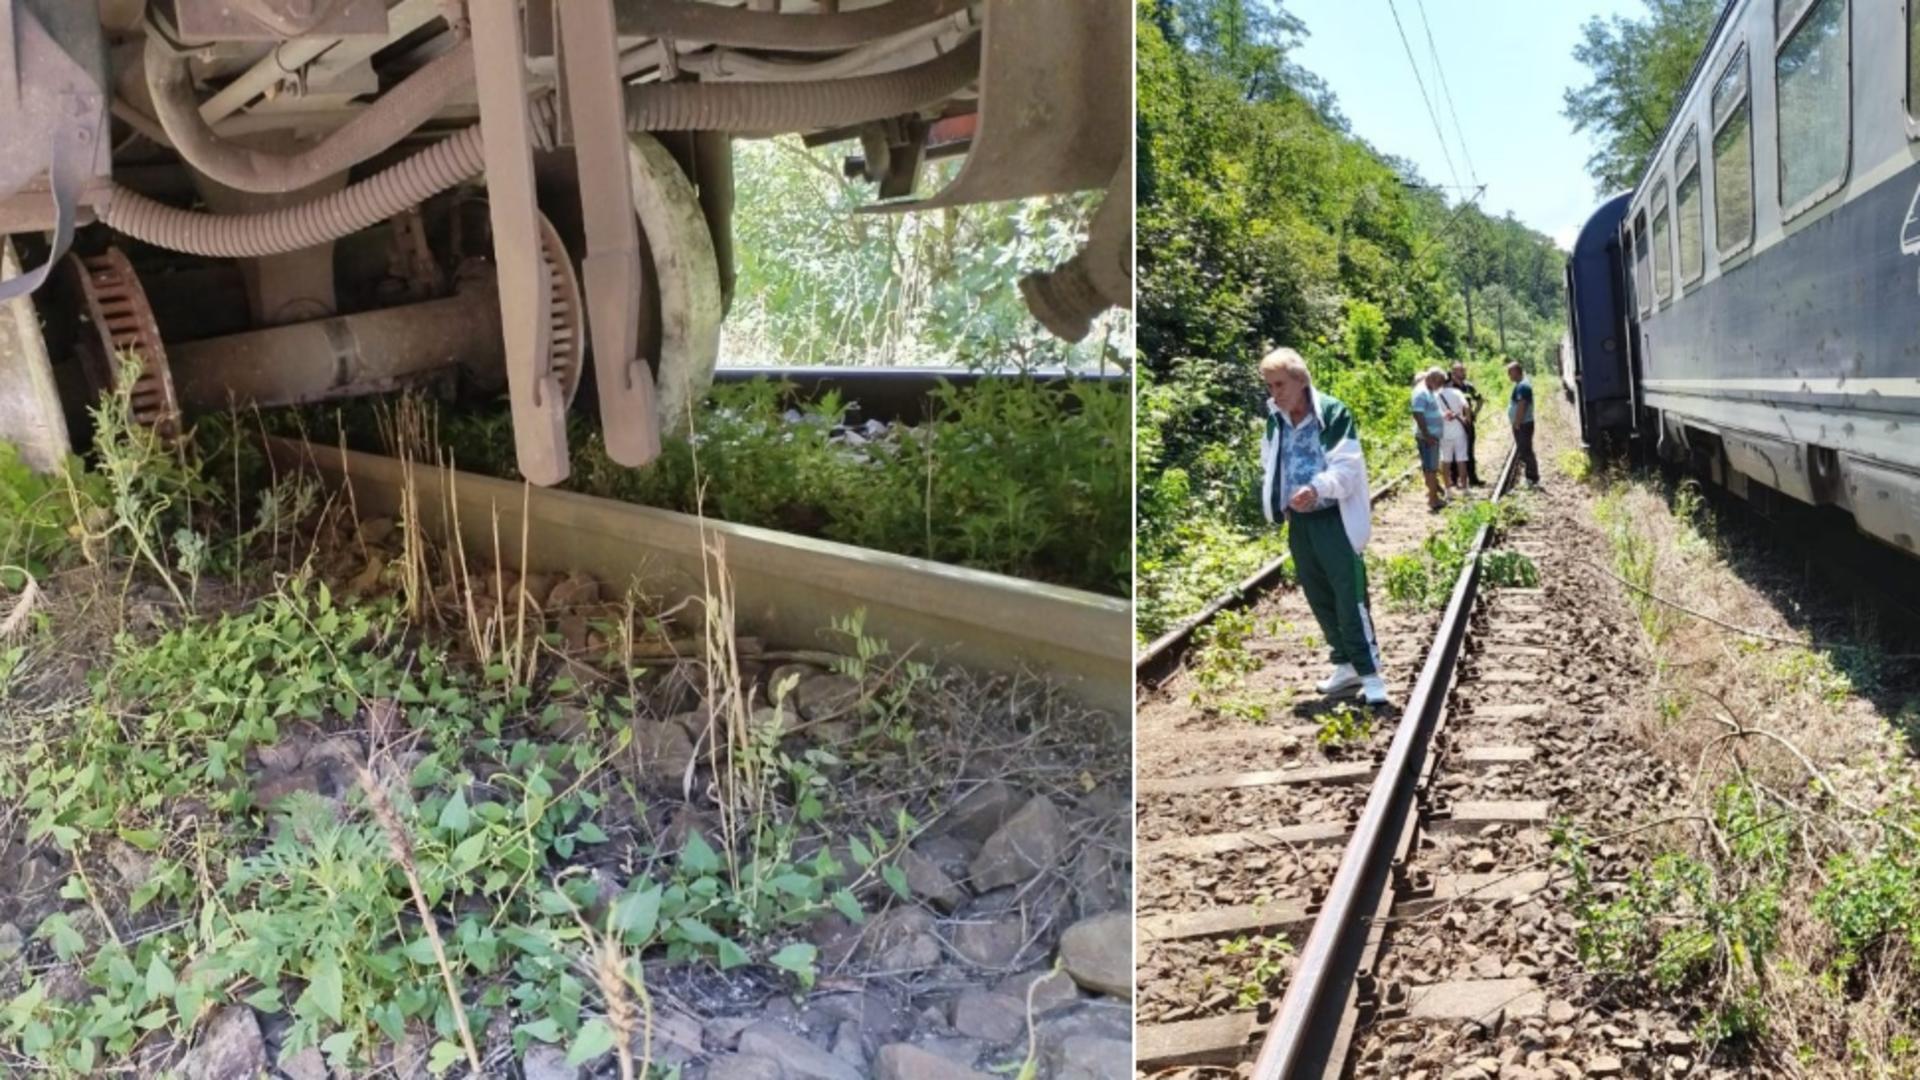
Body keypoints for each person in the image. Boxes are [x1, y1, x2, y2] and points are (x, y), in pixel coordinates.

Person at [1258, 347, 1388, 706]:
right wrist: (1281, 499)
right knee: (1318, 595)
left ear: (1301, 381)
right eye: (1269, 386)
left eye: (1280, 384)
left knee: (1350, 597)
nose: (1275, 393)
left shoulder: (1332, 413)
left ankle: (1370, 673)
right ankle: (1344, 665)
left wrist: (1317, 488)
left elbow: (1347, 467)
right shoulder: (1275, 420)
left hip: (1335, 520)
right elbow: (1270, 463)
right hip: (1300, 523)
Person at [1411, 369, 1446, 511]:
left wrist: (1443, 416)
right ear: (1433, 379)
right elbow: (1417, 414)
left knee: (1430, 467)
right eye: (1440, 383)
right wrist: (1427, 435)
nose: (1440, 386)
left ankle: (1433, 495)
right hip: (1428, 438)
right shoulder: (1421, 392)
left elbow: (1429, 411)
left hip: (1431, 436)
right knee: (1431, 468)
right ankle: (1433, 499)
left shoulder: (1428, 390)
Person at [1447, 362, 1484, 485]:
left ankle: (1472, 478)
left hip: (1467, 424)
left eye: (1464, 370)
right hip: (1455, 423)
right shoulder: (1449, 387)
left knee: (1469, 451)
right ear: (1453, 373)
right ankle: (1454, 479)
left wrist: (1474, 413)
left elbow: (1480, 400)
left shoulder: (1469, 386)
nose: (1464, 372)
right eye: (1461, 371)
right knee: (1454, 452)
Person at [1507, 360, 1541, 487]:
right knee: (1524, 449)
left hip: (1523, 424)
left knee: (1526, 450)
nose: (1508, 376)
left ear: (1516, 372)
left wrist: (1517, 422)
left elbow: (1522, 404)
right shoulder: (1521, 385)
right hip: (1524, 423)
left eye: (1510, 373)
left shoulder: (1523, 386)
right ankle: (1531, 477)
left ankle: (1532, 478)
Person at [1436, 376, 1470, 495]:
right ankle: (1465, 489)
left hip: (1444, 433)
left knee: (1446, 461)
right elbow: (1466, 406)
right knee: (1461, 459)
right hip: (1459, 431)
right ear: (1450, 382)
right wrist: (1468, 421)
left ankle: (1448, 490)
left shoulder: (1436, 395)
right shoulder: (1457, 392)